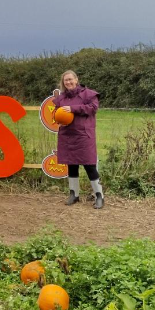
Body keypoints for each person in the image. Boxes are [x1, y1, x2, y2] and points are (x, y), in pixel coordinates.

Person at [54, 70, 104, 209]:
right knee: (71, 164)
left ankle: (99, 196)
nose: (68, 82)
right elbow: (56, 112)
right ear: (63, 83)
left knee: (89, 165)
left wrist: (72, 109)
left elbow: (93, 108)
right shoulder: (61, 98)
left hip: (84, 135)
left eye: (70, 79)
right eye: (66, 80)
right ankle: (74, 194)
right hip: (67, 134)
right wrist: (57, 117)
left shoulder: (88, 94)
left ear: (76, 79)